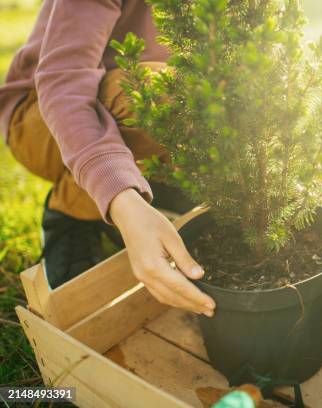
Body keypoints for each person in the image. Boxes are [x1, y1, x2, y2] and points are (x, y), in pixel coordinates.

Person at [0, 1, 217, 317]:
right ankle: (71, 213)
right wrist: (121, 200)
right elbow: (65, 85)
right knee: (167, 96)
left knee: (206, 96)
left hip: (131, 117)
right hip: (41, 117)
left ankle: (144, 186)